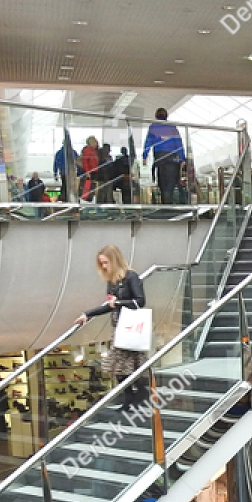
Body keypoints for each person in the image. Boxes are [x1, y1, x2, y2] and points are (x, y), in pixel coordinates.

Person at [75, 245, 147, 410]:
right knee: (121, 366)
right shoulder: (113, 281)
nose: (104, 267)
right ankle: (134, 396)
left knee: (120, 365)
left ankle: (137, 394)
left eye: (106, 263)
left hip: (131, 327)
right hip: (119, 327)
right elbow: (110, 306)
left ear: (114, 260)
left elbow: (140, 301)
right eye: (102, 264)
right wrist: (88, 314)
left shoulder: (131, 277)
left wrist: (119, 302)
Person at [142, 108, 187, 204]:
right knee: (171, 182)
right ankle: (169, 204)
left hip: (160, 158)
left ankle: (165, 204)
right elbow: (179, 143)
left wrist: (144, 156)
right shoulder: (172, 127)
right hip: (173, 158)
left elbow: (148, 142)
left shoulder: (153, 127)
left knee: (162, 182)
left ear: (156, 116)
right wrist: (183, 158)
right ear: (166, 116)